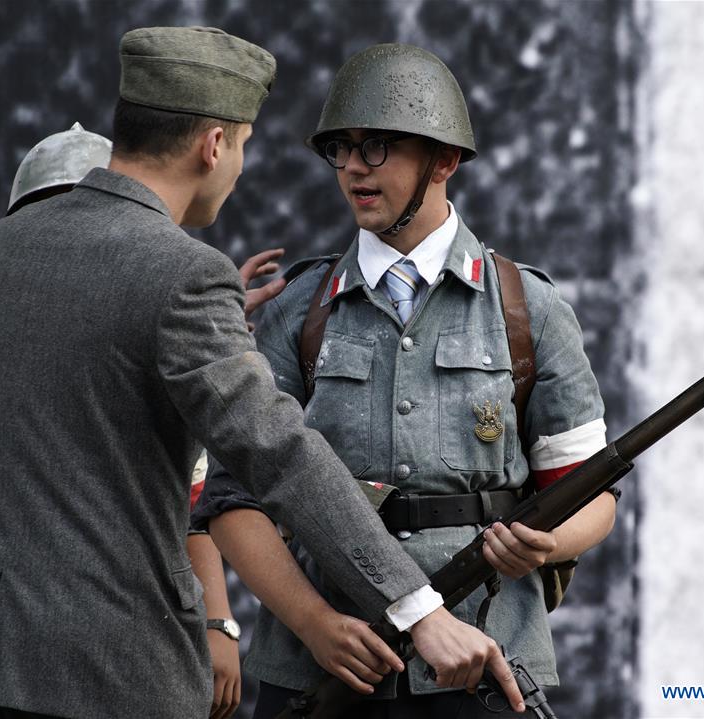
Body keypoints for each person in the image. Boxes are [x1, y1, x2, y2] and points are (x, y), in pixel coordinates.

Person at [0, 28, 521, 719]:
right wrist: (419, 609)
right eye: (242, 146)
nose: (238, 169)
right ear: (213, 145)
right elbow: (281, 455)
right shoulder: (185, 272)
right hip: (108, 668)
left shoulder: (14, 242)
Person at [192, 43, 618, 717]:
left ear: (443, 160)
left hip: (482, 659)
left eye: (379, 147)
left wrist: (546, 543)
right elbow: (234, 500)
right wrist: (310, 622)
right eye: (343, 148)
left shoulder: (524, 307)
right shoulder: (300, 310)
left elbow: (588, 489)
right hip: (327, 664)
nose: (354, 168)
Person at [0, 122, 286, 718]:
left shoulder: (149, 335)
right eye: (57, 210)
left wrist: (218, 620)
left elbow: (188, 497)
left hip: (128, 637)